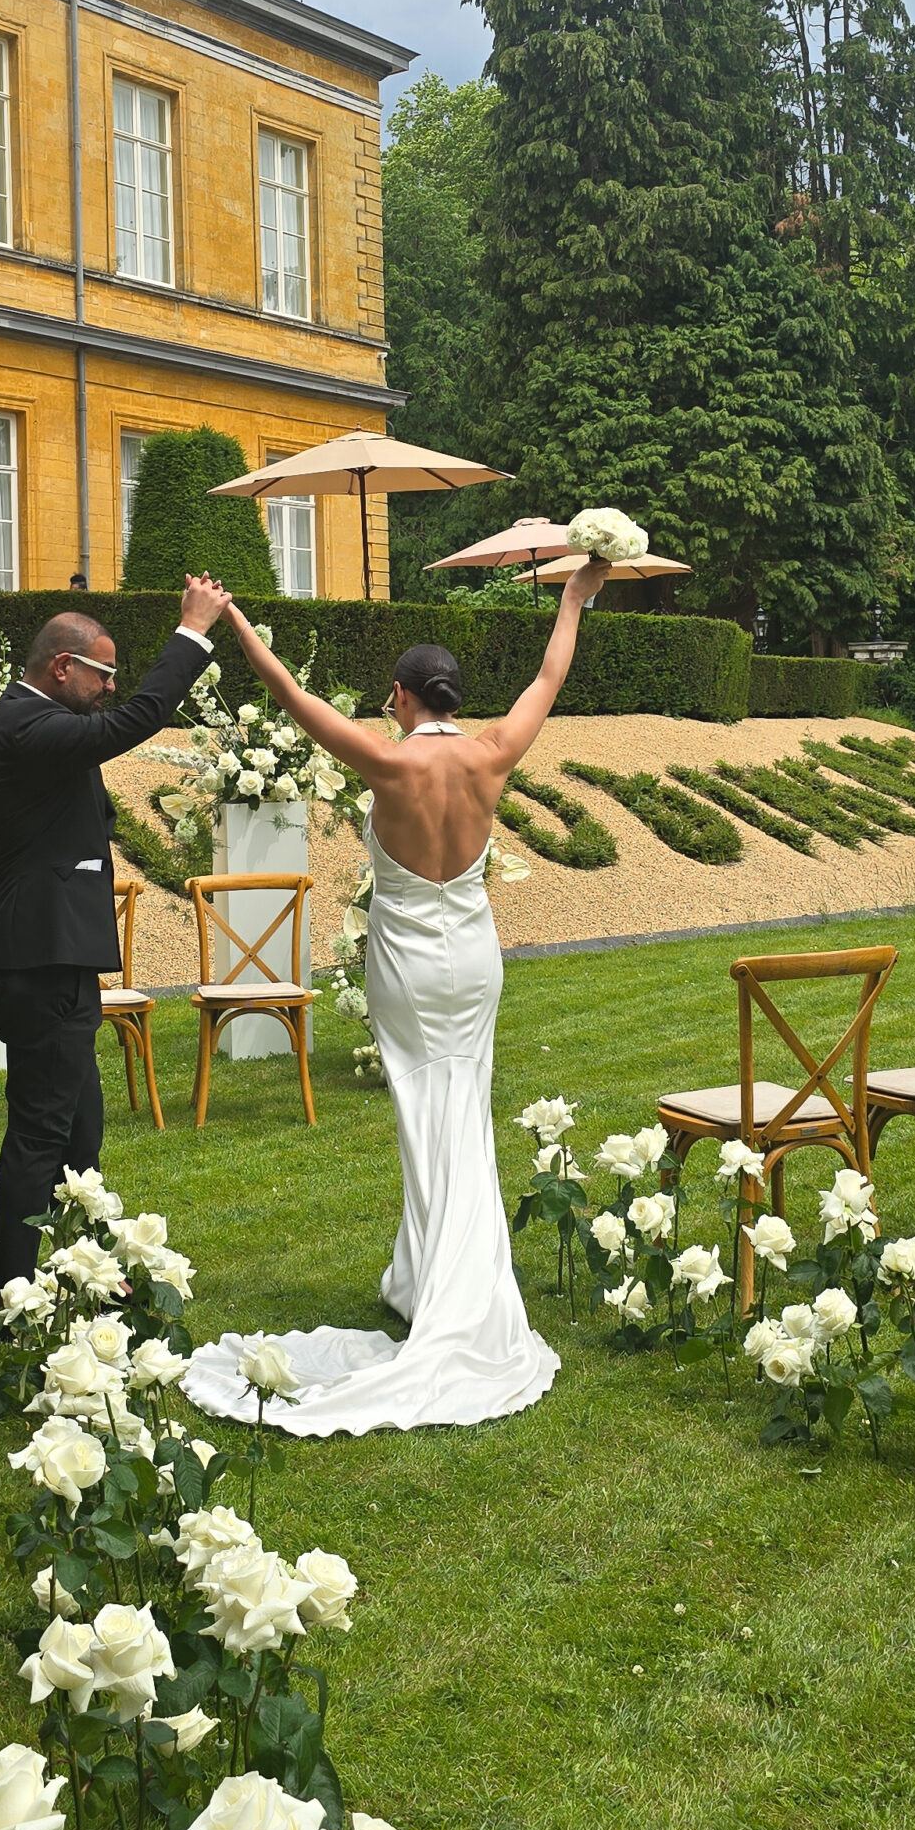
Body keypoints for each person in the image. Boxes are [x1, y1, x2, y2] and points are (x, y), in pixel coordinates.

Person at [182, 556, 611, 1436]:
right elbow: (549, 676)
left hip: (409, 967)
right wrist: (575, 597)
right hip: (474, 961)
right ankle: (431, 1277)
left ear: (402, 696)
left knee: (425, 1116)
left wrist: (232, 621)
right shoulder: (494, 752)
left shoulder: (386, 760)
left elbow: (288, 695)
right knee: (464, 1107)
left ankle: (446, 1290)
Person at [0, 577, 232, 1295]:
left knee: (79, 1130)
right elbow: (133, 722)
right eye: (103, 673)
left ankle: (75, 1271)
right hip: (37, 961)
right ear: (63, 667)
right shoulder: (27, 726)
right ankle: (11, 1291)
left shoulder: (33, 729)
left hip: (49, 958)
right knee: (42, 1132)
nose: (111, 687)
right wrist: (193, 631)